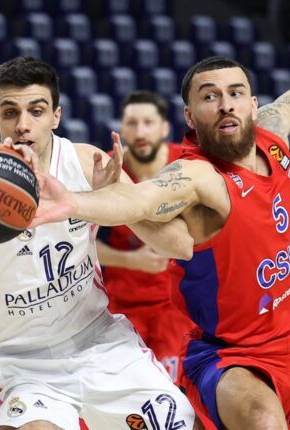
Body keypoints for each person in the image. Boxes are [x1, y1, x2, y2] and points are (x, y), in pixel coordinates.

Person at [31, 1, 290, 428]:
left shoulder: (273, 134)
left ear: (253, 104)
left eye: (235, 93)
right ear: (189, 115)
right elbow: (143, 200)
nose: (225, 104)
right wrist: (75, 203)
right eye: (209, 96)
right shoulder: (198, 174)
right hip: (228, 357)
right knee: (263, 421)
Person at [0, 56, 197, 430]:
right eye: (11, 113)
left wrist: (113, 201)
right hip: (23, 364)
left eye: (35, 111)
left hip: (101, 343)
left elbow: (177, 245)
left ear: (55, 116)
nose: (23, 125)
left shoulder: (86, 162)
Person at [96, 91, 195, 384]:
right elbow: (82, 244)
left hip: (179, 305)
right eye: (132, 123)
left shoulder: (190, 165)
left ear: (164, 128)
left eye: (149, 123)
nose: (140, 132)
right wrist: (131, 259)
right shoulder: (107, 173)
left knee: (180, 396)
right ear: (122, 129)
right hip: (124, 307)